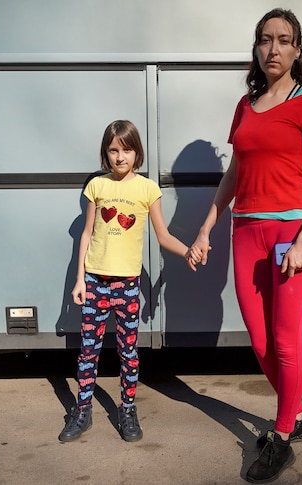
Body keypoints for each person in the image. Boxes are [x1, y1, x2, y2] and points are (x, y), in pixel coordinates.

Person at [188, 8, 302, 483]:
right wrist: (208, 225)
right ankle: (298, 413)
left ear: (297, 50)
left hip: (291, 235)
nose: (274, 48)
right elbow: (235, 173)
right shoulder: (245, 106)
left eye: (284, 40)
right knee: (260, 342)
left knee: (287, 341)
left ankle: (284, 435)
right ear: (256, 47)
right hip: (246, 232)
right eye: (266, 40)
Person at [59, 120, 193, 443]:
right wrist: (80, 280)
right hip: (95, 284)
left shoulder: (147, 190)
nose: (120, 157)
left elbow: (163, 236)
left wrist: (187, 251)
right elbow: (86, 234)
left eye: (127, 149)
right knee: (87, 352)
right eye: (114, 150)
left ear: (137, 153)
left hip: (127, 288)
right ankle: (83, 410)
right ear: (106, 153)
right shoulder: (97, 187)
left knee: (128, 352)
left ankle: (128, 409)